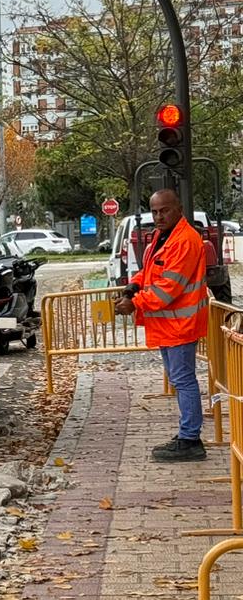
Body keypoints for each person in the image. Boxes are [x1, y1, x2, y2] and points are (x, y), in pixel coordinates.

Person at [115, 187, 209, 461]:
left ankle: (190, 439)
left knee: (183, 380)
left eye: (164, 210)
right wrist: (134, 285)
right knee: (180, 379)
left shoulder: (185, 240)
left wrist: (135, 302)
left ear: (178, 209)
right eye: (154, 211)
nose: (158, 216)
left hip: (180, 324)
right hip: (170, 325)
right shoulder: (162, 236)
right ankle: (188, 435)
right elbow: (151, 271)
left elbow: (168, 288)